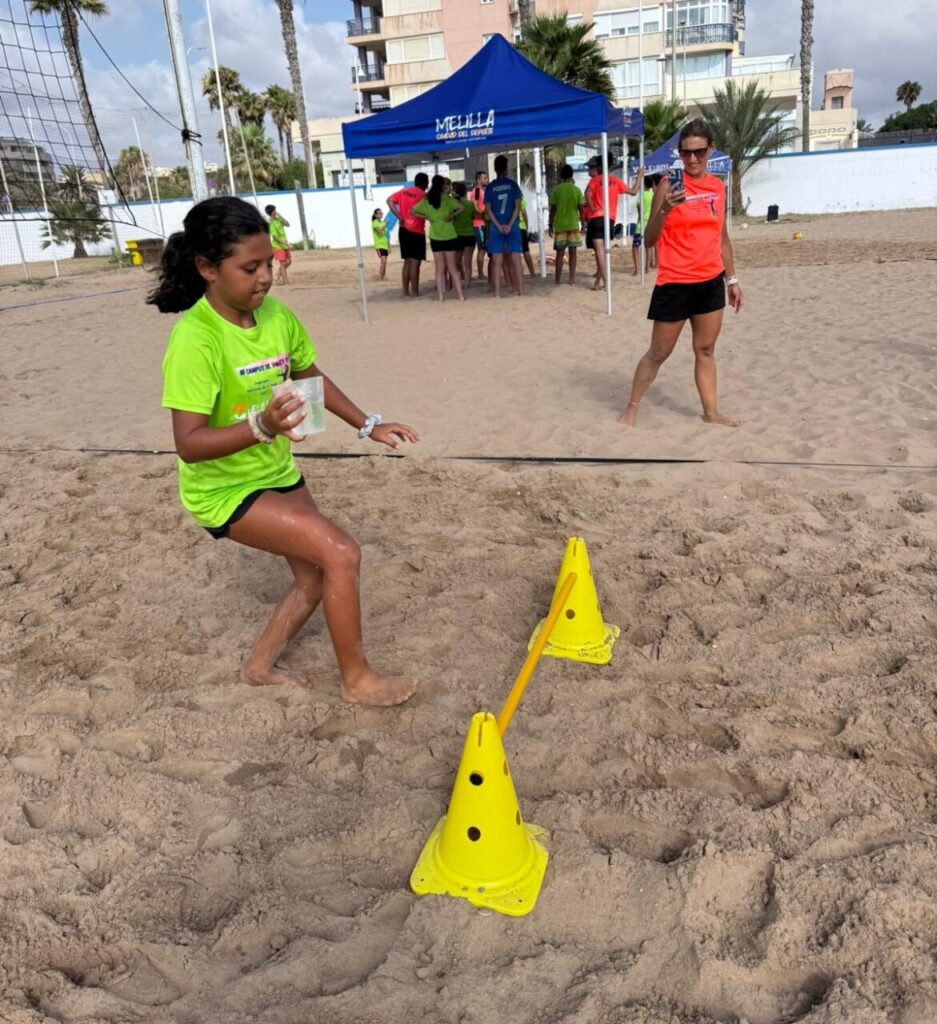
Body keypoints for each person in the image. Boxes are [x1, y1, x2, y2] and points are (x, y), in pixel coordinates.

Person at [150, 196, 419, 705]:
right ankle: (358, 681)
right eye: (249, 268)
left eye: (268, 263)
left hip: (274, 471)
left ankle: (257, 666)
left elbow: (308, 374)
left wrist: (368, 425)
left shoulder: (275, 316)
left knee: (315, 575)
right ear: (207, 268)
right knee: (341, 551)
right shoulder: (195, 340)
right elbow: (188, 445)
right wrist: (261, 425)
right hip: (222, 489)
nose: (265, 277)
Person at [619, 119, 743, 429]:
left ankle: (711, 412)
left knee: (705, 349)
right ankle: (632, 407)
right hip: (674, 282)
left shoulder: (717, 188)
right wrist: (664, 211)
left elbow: (722, 238)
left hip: (710, 281)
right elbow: (648, 240)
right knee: (659, 352)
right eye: (685, 153)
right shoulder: (667, 185)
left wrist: (733, 279)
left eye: (699, 152)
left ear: (710, 150)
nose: (692, 160)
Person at [583, 156, 642, 292]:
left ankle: (606, 282)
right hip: (610, 219)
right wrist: (639, 176)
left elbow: (587, 194)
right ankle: (598, 282)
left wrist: (592, 208)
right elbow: (633, 191)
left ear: (597, 168)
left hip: (597, 217)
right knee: (602, 252)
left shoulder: (595, 180)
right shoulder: (615, 181)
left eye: (591, 167)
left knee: (599, 251)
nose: (589, 170)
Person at [412, 175, 466, 302]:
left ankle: (441, 297)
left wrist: (427, 217)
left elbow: (412, 211)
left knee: (439, 269)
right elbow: (462, 208)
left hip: (435, 236)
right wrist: (452, 215)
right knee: (453, 268)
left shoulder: (427, 200)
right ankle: (460, 296)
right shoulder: (447, 198)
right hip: (449, 235)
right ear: (443, 185)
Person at [484, 154, 524, 298]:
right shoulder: (513, 185)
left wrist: (499, 226)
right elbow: (517, 208)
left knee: (496, 261)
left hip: (496, 227)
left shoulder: (490, 187)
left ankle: (498, 293)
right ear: (506, 168)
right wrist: (509, 224)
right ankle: (520, 290)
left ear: (495, 169)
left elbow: (488, 210)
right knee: (516, 259)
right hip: (512, 226)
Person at [387, 172, 428, 297]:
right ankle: (415, 291)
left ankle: (405, 291)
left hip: (403, 229)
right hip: (416, 230)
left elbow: (389, 201)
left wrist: (399, 216)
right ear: (424, 183)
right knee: (415, 263)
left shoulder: (404, 191)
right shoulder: (423, 195)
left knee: (407, 262)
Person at [548, 163, 585, 286]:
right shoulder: (577, 190)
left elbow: (552, 209)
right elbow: (581, 209)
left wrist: (550, 224)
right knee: (573, 253)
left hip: (560, 225)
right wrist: (583, 224)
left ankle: (557, 280)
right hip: (573, 224)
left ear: (561, 176)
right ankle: (572, 278)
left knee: (560, 254)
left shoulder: (556, 190)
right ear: (571, 175)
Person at [451, 180, 477, 287]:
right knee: (468, 262)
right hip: (469, 234)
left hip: (457, 235)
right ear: (466, 192)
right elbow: (473, 217)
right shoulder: (470, 204)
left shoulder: (454, 203)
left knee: (456, 261)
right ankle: (467, 283)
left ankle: (456, 282)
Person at [632, 174, 656, 275]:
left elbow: (639, 210)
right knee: (648, 246)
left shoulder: (641, 195)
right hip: (650, 223)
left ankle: (637, 269)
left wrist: (639, 220)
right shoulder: (653, 195)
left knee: (635, 247)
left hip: (641, 224)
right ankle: (647, 268)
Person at [264, 204, 290, 285]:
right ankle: (286, 281)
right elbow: (275, 237)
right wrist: (286, 243)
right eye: (274, 211)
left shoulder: (278, 220)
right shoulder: (271, 223)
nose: (276, 212)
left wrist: (280, 215)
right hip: (278, 246)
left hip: (285, 245)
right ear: (271, 212)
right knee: (282, 263)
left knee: (289, 262)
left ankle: (277, 275)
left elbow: (288, 224)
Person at [470, 170, 489, 279]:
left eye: (486, 178)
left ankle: (481, 273)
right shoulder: (477, 190)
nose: (486, 180)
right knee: (481, 248)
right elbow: (476, 207)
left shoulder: (483, 190)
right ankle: (480, 274)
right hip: (479, 224)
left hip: (484, 223)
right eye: (484, 178)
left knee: (484, 248)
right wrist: (483, 215)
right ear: (478, 180)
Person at [517, 198, 537, 278]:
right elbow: (524, 213)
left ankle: (518, 274)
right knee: (525, 250)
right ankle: (532, 273)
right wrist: (526, 227)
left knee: (515, 252)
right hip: (521, 227)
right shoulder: (520, 197)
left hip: (512, 228)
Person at [371, 208, 388, 281]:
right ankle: (380, 277)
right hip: (379, 245)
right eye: (379, 213)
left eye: (381, 213)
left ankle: (383, 277)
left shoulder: (382, 222)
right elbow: (379, 231)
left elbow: (385, 236)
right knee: (383, 261)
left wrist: (389, 246)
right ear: (375, 215)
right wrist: (385, 224)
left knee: (385, 262)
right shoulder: (375, 222)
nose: (381, 214)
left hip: (385, 245)